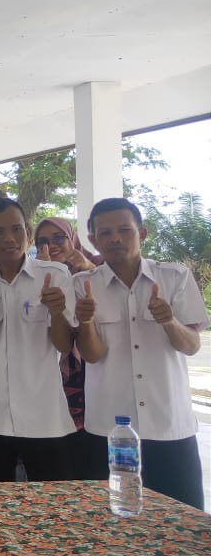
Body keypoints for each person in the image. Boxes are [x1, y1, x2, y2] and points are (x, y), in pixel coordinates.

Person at [74, 197, 206, 509]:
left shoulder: (174, 277)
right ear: (93, 239)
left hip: (169, 424)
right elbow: (92, 356)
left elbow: (191, 345)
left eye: (124, 230)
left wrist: (169, 320)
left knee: (181, 520)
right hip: (107, 428)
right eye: (105, 233)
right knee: (109, 520)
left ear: (141, 233)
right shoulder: (83, 285)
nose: (115, 238)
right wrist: (86, 321)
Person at [0, 199, 76, 483]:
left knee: (51, 502)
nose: (9, 238)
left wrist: (57, 311)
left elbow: (63, 345)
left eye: (16, 229)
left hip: (44, 416)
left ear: (28, 232)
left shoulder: (56, 276)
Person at [33, 217, 101, 443]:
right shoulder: (33, 273)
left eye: (58, 238)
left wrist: (88, 267)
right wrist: (43, 274)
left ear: (72, 238)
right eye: (42, 241)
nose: (51, 246)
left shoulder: (97, 263)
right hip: (51, 366)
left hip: (96, 363)